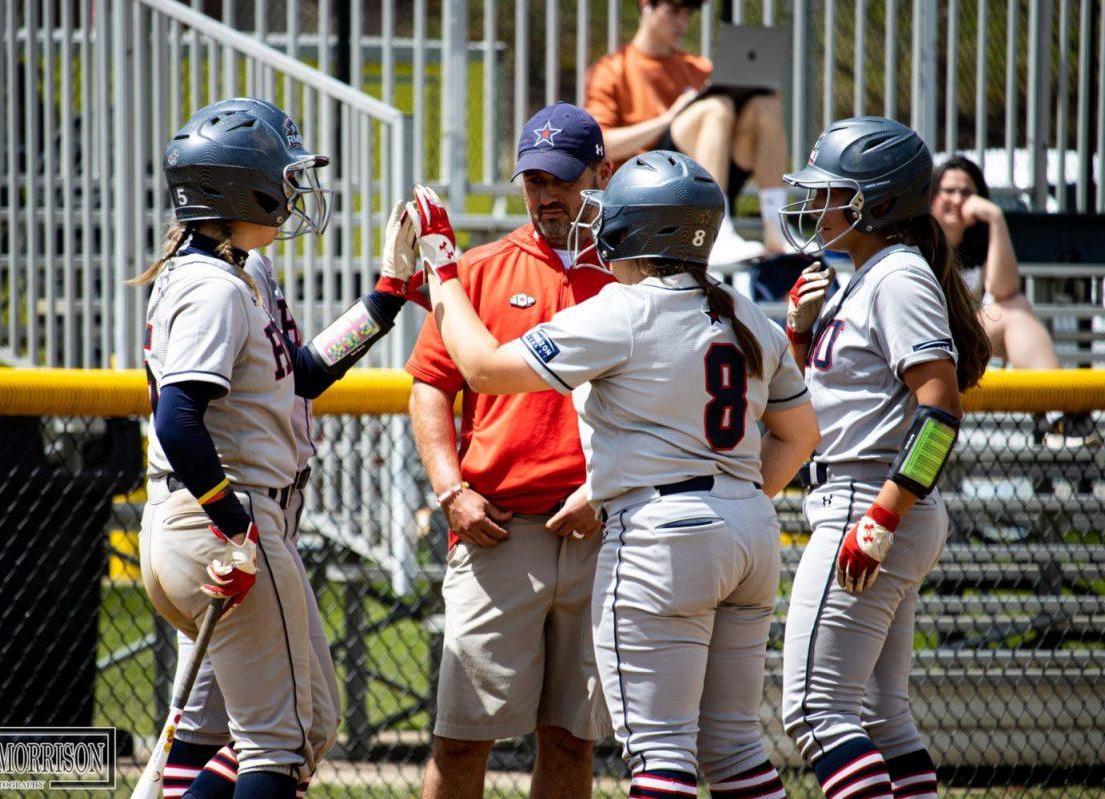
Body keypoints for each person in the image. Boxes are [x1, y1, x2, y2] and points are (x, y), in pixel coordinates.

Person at [412, 150, 820, 799]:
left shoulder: (623, 309)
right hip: (749, 525)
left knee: (660, 756)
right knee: (735, 748)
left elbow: (484, 368)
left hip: (663, 533)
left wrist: (442, 271)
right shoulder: (747, 313)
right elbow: (801, 436)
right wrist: (727, 499)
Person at [133, 98, 420, 799]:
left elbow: (306, 371)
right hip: (225, 519)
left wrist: (384, 299)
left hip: (195, 521)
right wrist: (235, 525)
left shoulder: (238, 271)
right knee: (288, 739)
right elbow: (178, 420)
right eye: (281, 177)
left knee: (208, 738)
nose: (295, 191)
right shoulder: (213, 288)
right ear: (238, 187)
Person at [777, 116, 992, 799]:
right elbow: (840, 398)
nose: (818, 208)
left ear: (873, 202)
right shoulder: (869, 273)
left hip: (869, 501)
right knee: (880, 717)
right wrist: (801, 335)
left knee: (815, 710)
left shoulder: (897, 276)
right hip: (870, 498)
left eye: (832, 193)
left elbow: (940, 408)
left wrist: (882, 516)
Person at [407, 102, 615, 799]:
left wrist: (608, 488)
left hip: (599, 529)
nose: (547, 195)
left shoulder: (636, 273)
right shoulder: (480, 268)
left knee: (570, 740)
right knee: (462, 740)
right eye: (533, 180)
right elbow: (430, 388)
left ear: (600, 172)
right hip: (497, 528)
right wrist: (449, 490)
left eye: (562, 178)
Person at [584, 0, 790, 264]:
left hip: (704, 177)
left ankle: (777, 229)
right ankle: (717, 230)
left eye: (687, 13)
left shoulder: (698, 68)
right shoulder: (612, 69)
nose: (681, 23)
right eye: (673, 12)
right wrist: (668, 118)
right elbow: (603, 145)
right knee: (716, 107)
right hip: (650, 184)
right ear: (646, 6)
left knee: (766, 105)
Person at [932, 155, 1099, 447]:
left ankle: (1059, 416)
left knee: (1014, 306)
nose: (958, 199)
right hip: (929, 346)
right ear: (933, 196)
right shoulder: (922, 244)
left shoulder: (979, 247)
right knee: (1014, 312)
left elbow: (1004, 289)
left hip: (961, 348)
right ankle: (1060, 416)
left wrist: (996, 219)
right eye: (949, 190)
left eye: (967, 192)